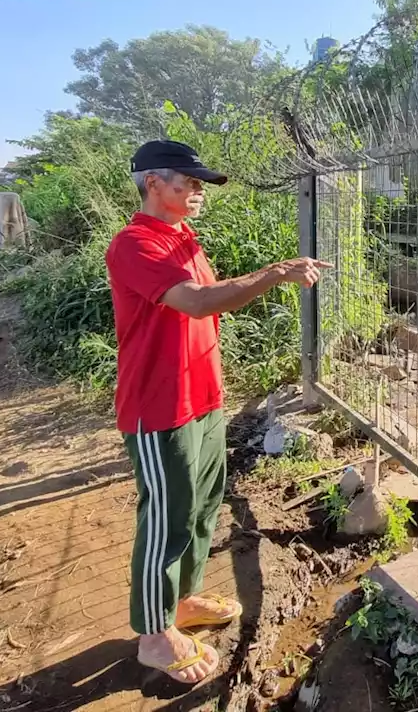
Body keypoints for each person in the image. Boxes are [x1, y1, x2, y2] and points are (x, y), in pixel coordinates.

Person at [105, 140, 331, 685]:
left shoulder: (182, 239)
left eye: (201, 183)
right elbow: (199, 302)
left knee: (201, 507)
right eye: (190, 182)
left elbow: (208, 303)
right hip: (159, 408)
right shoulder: (135, 244)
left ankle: (179, 602)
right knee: (165, 517)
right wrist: (275, 272)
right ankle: (153, 635)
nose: (199, 192)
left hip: (202, 400)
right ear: (153, 183)